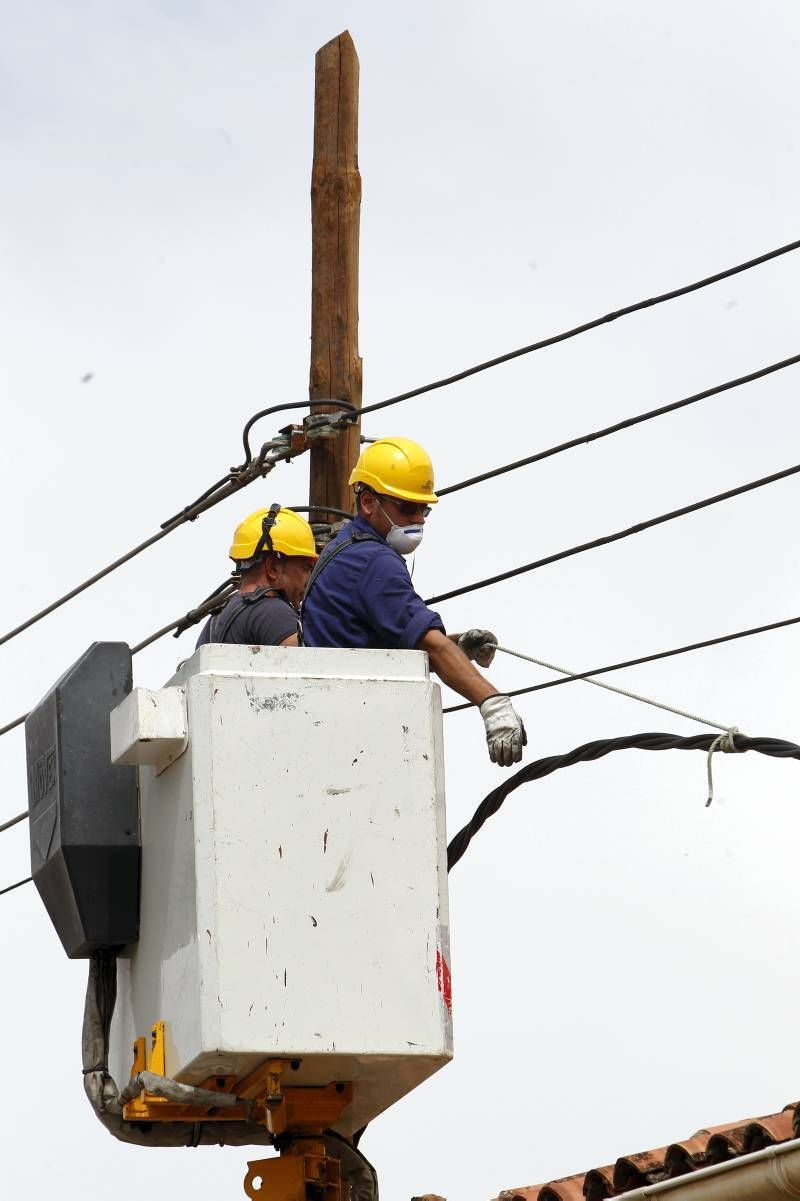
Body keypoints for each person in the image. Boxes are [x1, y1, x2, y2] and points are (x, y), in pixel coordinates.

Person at [301, 438, 527, 767]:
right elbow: (429, 645)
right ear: (367, 502)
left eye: (424, 509)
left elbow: (381, 646)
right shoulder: (373, 561)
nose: (419, 519)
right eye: (407, 507)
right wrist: (492, 704)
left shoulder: (345, 549)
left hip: (331, 725)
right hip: (354, 735)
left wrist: (457, 647)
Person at [197, 504, 318, 648]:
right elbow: (303, 665)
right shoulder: (274, 613)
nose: (309, 580)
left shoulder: (214, 621)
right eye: (306, 568)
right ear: (272, 567)